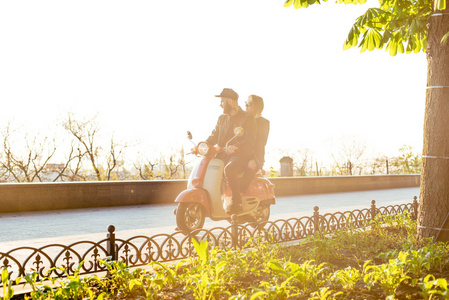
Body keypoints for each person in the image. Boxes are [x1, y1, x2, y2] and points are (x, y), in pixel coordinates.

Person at [207, 88, 256, 214]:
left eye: (222, 101)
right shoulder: (222, 119)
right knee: (207, 164)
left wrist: (237, 147)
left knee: (229, 169)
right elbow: (214, 135)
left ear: (230, 101)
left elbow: (251, 140)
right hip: (223, 153)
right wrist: (204, 144)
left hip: (240, 155)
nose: (220, 104)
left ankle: (237, 202)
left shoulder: (247, 118)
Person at [240, 94, 270, 193]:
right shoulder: (242, 120)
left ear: (256, 106)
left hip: (255, 157)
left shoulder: (264, 122)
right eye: (245, 103)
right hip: (240, 155)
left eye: (249, 103)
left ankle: (239, 196)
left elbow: (261, 143)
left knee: (250, 166)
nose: (246, 105)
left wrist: (253, 159)